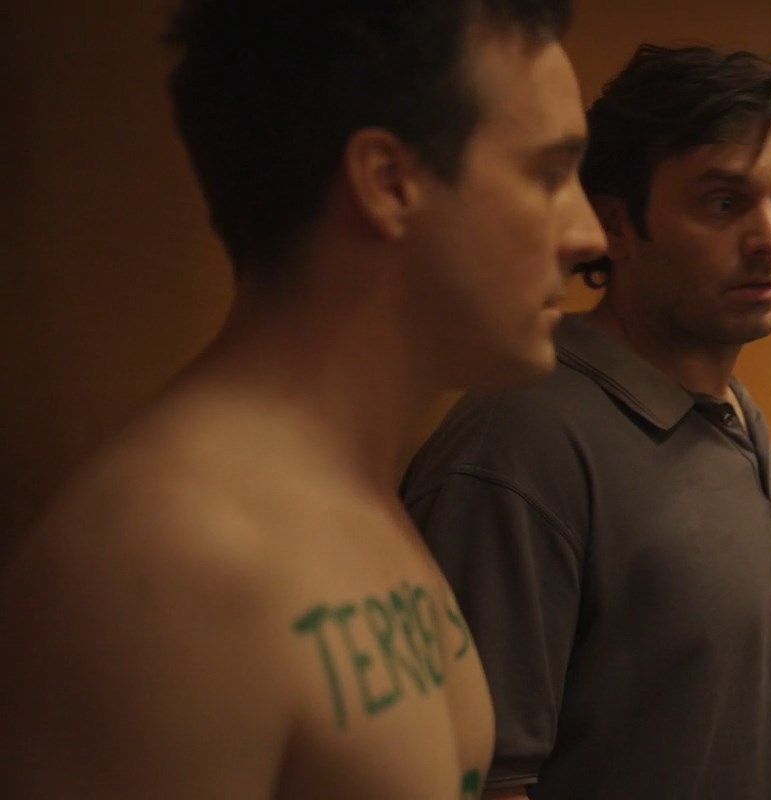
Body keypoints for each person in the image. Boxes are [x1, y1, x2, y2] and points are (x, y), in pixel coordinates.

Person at [0, 1, 605, 797]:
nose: (589, 235)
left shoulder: (355, 492)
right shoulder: (170, 563)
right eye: (550, 174)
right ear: (388, 183)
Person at [401, 44, 771, 799]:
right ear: (615, 224)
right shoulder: (519, 447)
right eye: (723, 203)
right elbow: (480, 781)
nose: (770, 237)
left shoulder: (733, 411)